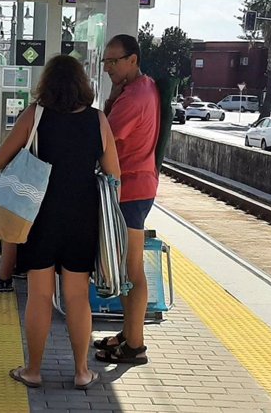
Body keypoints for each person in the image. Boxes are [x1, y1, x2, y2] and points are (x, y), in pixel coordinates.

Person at [0, 54, 120, 390]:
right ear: (83, 85)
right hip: (82, 216)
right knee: (78, 296)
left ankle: (33, 370)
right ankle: (81, 372)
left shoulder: (35, 116)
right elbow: (114, 174)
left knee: (39, 295)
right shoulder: (98, 120)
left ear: (46, 84)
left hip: (39, 215)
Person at [94, 34, 160, 365]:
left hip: (131, 191)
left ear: (132, 59)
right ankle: (128, 332)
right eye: (105, 61)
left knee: (132, 270)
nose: (107, 68)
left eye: (113, 61)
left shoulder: (133, 98)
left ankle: (135, 346)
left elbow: (102, 138)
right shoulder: (141, 88)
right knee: (125, 268)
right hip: (137, 186)